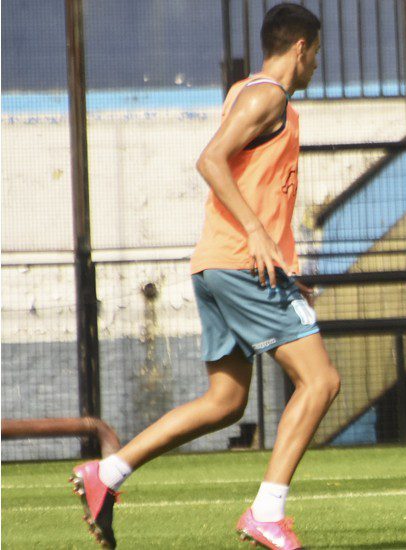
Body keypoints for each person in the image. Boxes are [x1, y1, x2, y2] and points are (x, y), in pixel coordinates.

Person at [68, 5, 337, 549]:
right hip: (240, 260)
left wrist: (280, 262)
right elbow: (211, 159)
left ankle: (109, 473)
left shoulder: (248, 93)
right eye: (316, 56)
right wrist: (259, 235)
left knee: (225, 402)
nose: (315, 68)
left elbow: (245, 174)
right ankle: (267, 511)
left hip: (222, 264)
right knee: (321, 380)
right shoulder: (267, 96)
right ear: (302, 48)